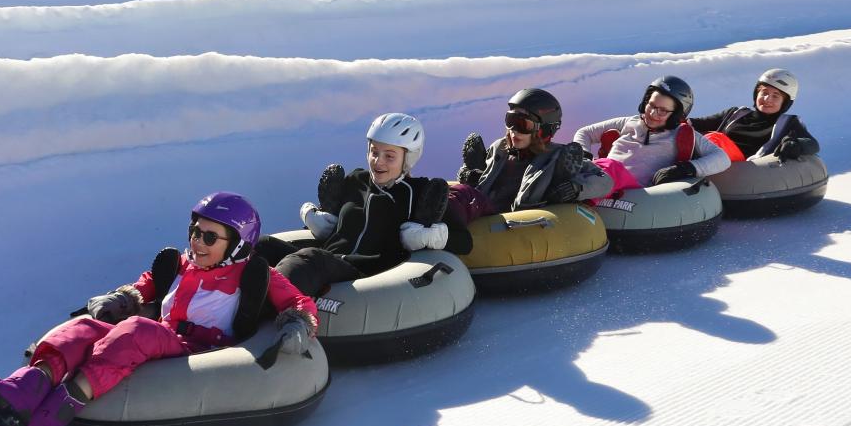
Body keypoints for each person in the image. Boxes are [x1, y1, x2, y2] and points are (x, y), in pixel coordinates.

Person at [0, 192, 318, 426]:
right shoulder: (180, 263)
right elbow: (146, 286)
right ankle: (21, 391)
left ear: (237, 245)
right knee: (82, 329)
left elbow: (298, 302)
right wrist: (122, 298)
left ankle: (48, 421)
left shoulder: (254, 274)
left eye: (210, 237)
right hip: (161, 335)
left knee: (137, 331)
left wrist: (298, 324)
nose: (198, 241)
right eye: (195, 231)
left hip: (198, 350)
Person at [261, 113, 452, 297]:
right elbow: (340, 222)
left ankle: (262, 314)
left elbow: (463, 240)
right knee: (263, 245)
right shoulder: (355, 179)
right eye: (374, 152)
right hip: (329, 260)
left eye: (390, 156)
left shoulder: (420, 192)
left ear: (408, 158)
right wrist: (318, 220)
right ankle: (238, 301)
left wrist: (428, 237)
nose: (378, 161)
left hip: (365, 276)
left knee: (309, 259)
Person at [448, 87, 612, 224]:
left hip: (515, 221)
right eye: (510, 120)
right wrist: (472, 175)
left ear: (544, 129)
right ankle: (433, 218)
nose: (514, 130)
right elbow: (487, 182)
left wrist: (575, 188)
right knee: (450, 190)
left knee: (463, 197)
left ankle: (440, 219)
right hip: (484, 213)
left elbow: (605, 181)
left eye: (522, 124)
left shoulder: (558, 155)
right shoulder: (500, 148)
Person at [570, 73, 732, 195]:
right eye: (651, 105)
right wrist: (584, 155)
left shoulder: (681, 134)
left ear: (676, 115)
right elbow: (585, 132)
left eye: (663, 110)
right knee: (567, 156)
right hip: (600, 176)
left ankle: (575, 189)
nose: (653, 113)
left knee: (611, 168)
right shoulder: (629, 122)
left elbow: (722, 158)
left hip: (633, 191)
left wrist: (685, 169)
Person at [690, 67, 821, 162]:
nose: (767, 99)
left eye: (776, 96)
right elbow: (696, 123)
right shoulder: (735, 113)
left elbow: (812, 144)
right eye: (764, 92)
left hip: (744, 171)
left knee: (715, 139)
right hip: (712, 160)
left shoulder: (787, 123)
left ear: (785, 102)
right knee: (686, 131)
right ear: (756, 94)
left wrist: (795, 144)